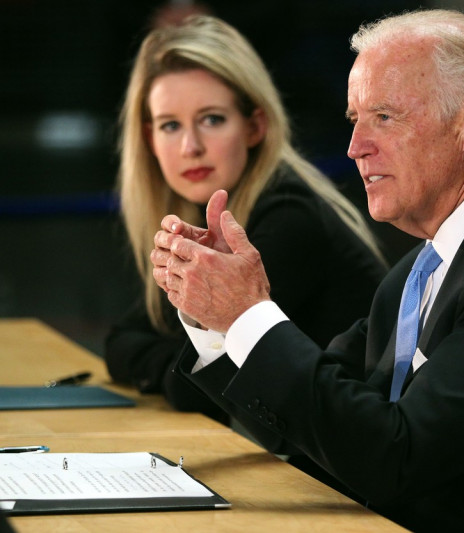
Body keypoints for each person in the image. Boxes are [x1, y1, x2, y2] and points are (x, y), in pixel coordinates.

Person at [152, 9, 464, 532]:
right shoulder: (430, 263)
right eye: (354, 119)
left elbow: (394, 458)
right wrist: (219, 321)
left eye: (384, 117)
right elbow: (319, 423)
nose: (355, 146)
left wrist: (249, 312)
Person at [104, 15, 387, 422]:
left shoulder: (289, 217)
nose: (190, 147)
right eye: (170, 125)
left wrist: (167, 365)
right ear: (149, 139)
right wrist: (171, 364)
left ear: (254, 126)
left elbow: (198, 387)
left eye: (212, 119)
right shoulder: (207, 220)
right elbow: (123, 339)